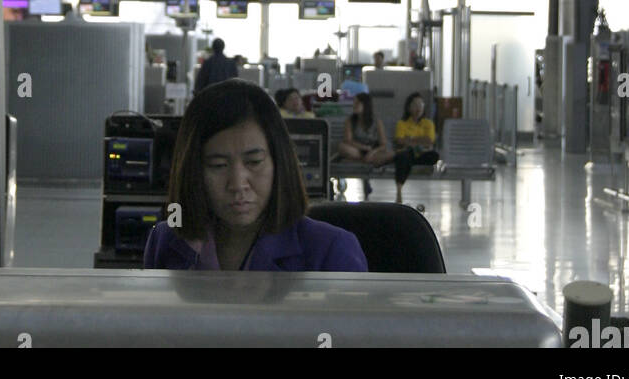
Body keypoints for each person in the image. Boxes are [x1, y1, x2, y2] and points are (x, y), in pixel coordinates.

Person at [143, 80, 367, 272]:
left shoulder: (331, 250)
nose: (238, 184)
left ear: (278, 162)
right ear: (193, 171)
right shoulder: (165, 241)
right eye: (218, 165)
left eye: (254, 162)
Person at [336, 91, 393, 198]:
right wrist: (363, 148)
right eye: (354, 102)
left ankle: (358, 160)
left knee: (387, 155)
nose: (354, 105)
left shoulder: (376, 121)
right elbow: (348, 140)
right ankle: (363, 160)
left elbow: (383, 144)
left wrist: (372, 152)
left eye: (357, 103)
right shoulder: (350, 120)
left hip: (373, 151)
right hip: (357, 150)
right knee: (342, 147)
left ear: (365, 105)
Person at [393, 92, 439, 203]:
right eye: (415, 105)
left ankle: (409, 163)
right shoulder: (402, 123)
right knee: (404, 155)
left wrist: (410, 139)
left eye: (420, 105)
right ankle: (399, 190)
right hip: (408, 153)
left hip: (422, 154)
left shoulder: (428, 123)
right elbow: (399, 140)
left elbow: (429, 141)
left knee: (434, 155)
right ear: (409, 107)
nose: (418, 108)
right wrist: (420, 140)